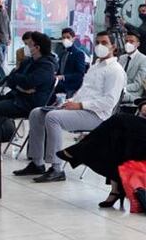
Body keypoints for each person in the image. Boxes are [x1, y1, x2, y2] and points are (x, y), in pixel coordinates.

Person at [58, 41, 146, 207]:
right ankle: (115, 188)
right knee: (116, 138)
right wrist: (145, 104)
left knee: (119, 120)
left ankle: (79, 151)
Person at [14, 31, 127, 183]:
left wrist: (80, 105)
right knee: (37, 113)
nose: (100, 46)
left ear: (113, 47)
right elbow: (83, 91)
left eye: (104, 43)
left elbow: (109, 102)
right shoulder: (95, 66)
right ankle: (37, 162)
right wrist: (68, 102)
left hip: (98, 115)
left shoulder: (115, 70)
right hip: (80, 107)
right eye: (98, 42)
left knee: (53, 117)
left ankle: (56, 168)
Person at [0, 31, 57, 139]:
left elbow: (26, 82)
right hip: (16, 96)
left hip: (29, 103)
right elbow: (11, 79)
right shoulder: (28, 61)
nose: (25, 47)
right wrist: (19, 86)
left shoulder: (47, 66)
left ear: (37, 48)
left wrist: (19, 83)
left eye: (28, 45)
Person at [119, 30, 146, 103]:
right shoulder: (122, 58)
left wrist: (121, 88)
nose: (128, 44)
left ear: (138, 44)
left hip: (132, 94)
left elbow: (137, 85)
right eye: (126, 41)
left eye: (131, 41)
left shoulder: (144, 60)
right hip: (118, 91)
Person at [54, 27, 87, 98]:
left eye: (68, 37)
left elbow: (80, 74)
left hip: (71, 86)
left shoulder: (78, 54)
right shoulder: (62, 53)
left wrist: (63, 77)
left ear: (73, 39)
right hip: (60, 84)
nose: (65, 39)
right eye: (63, 37)